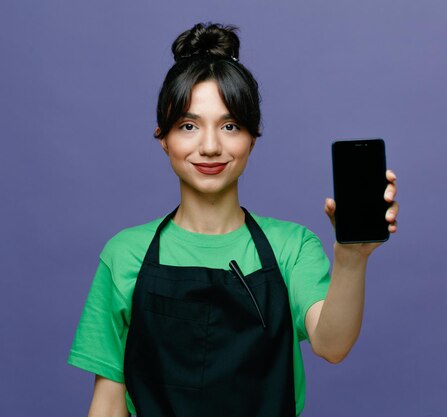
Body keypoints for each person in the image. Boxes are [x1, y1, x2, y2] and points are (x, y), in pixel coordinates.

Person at [68, 23, 399, 417]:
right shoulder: (125, 254)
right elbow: (107, 405)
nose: (210, 147)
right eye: (188, 126)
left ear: (252, 138)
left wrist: (351, 257)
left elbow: (332, 345)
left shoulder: (292, 246)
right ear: (163, 137)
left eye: (230, 126)